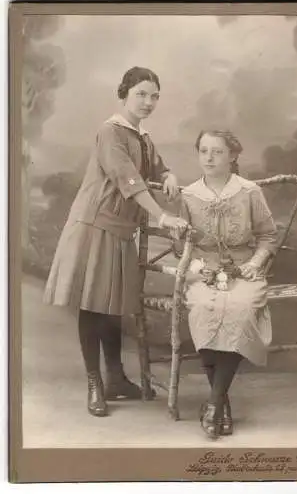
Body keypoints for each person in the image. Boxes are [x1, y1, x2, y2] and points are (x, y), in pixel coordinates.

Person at [43, 67, 188, 417]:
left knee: (112, 306)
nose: (149, 102)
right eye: (141, 94)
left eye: (154, 96)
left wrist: (168, 174)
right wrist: (163, 216)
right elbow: (130, 181)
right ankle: (95, 383)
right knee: (93, 306)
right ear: (123, 94)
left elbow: (153, 167)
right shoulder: (111, 132)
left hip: (120, 230)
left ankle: (117, 379)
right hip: (95, 226)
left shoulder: (141, 135)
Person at [178, 129, 278, 439]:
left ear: (233, 156)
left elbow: (267, 235)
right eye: (204, 151)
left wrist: (253, 264)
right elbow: (182, 244)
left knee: (239, 307)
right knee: (203, 308)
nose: (209, 157)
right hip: (203, 270)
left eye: (217, 151)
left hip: (243, 269)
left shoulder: (249, 191)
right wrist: (195, 265)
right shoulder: (189, 194)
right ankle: (220, 403)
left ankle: (214, 404)